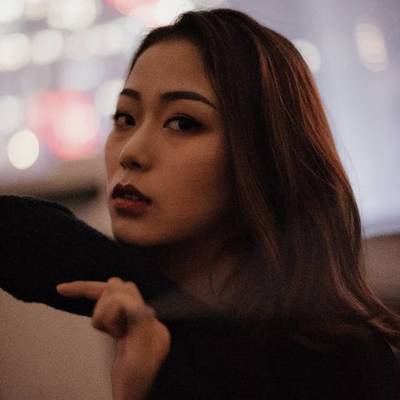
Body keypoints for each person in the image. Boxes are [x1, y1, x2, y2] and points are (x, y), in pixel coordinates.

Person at [1, 7, 400, 400]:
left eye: (182, 123)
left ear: (264, 156)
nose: (131, 152)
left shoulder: (345, 364)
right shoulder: (150, 316)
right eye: (124, 118)